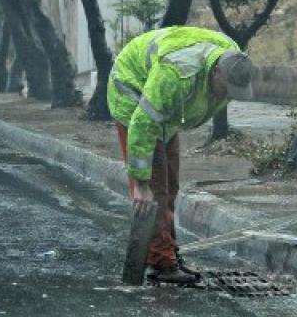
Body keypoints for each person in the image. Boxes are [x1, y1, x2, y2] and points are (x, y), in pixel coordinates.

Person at [107, 26, 254, 284]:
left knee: (170, 182)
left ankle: (167, 252)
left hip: (165, 106)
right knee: (154, 189)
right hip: (132, 91)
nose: (228, 95)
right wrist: (140, 184)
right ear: (216, 71)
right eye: (226, 88)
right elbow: (142, 124)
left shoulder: (233, 59)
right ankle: (161, 263)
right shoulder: (176, 75)